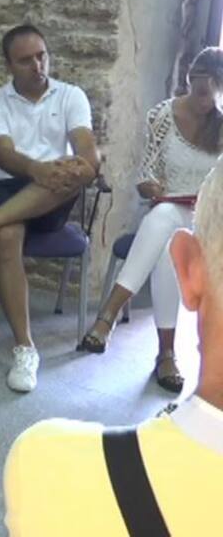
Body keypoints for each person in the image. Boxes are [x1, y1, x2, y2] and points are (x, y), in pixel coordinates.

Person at [3, 156, 223, 536]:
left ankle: (108, 317)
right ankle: (157, 347)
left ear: (187, 271)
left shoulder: (50, 464)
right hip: (170, 210)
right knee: (162, 220)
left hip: (187, 222)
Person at [0, 24, 100, 393]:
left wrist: (85, 163)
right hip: (5, 183)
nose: (37, 66)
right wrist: (38, 169)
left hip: (54, 193)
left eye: (41, 56)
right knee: (9, 234)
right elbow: (3, 154)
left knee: (73, 171)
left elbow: (85, 144)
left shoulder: (70, 95)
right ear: (9, 65)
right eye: (26, 60)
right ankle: (25, 348)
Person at [80, 47, 223, 394]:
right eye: (204, 91)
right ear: (191, 79)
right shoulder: (162, 115)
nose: (209, 101)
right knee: (165, 231)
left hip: (209, 220)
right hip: (170, 207)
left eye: (218, 93)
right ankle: (166, 355)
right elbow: (147, 174)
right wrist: (151, 187)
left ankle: (107, 318)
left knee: (167, 231)